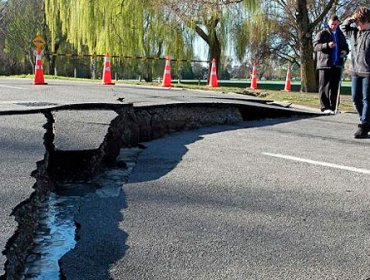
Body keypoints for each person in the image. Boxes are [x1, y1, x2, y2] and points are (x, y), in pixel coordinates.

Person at [341, 7, 370, 138]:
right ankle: (366, 121)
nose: (356, 23)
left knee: (367, 99)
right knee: (355, 99)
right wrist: (350, 19)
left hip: (368, 72)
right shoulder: (353, 32)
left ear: (365, 20)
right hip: (355, 70)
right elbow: (343, 27)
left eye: (358, 21)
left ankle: (364, 126)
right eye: (356, 21)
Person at [314, 15, 349, 114]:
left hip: (337, 64)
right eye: (331, 24)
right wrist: (327, 45)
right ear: (328, 23)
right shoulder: (322, 33)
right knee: (324, 87)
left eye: (335, 24)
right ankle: (325, 107)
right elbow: (316, 46)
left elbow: (346, 47)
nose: (333, 26)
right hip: (325, 64)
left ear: (338, 23)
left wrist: (345, 51)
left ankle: (334, 107)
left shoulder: (340, 35)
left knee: (335, 87)